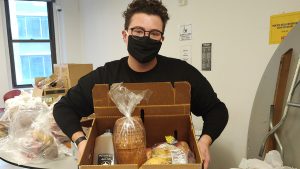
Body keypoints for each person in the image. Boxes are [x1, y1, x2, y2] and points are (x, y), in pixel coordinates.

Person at [53, 0, 228, 168]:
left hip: (170, 162)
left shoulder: (182, 74)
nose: (145, 38)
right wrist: (81, 142)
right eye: (138, 31)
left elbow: (217, 110)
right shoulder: (106, 76)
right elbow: (63, 108)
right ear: (125, 35)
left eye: (154, 33)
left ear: (161, 39)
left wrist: (204, 142)